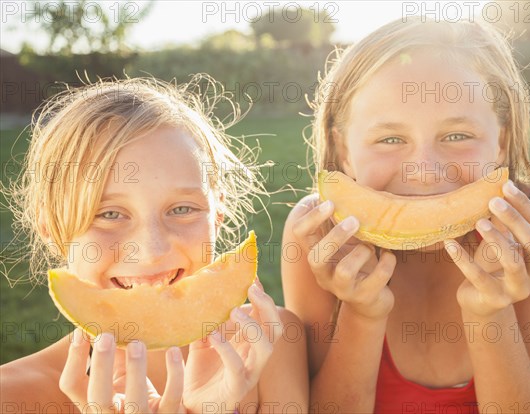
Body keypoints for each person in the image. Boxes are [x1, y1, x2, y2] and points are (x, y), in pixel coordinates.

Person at [282, 17, 530, 413]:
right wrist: (362, 313)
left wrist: (488, 313)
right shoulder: (318, 235)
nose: (425, 171)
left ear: (501, 141)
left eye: (457, 136)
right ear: (345, 151)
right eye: (390, 139)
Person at [1, 76, 308, 413]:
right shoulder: (11, 397)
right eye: (110, 214)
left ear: (217, 213)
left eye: (181, 209)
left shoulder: (271, 344)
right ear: (51, 226)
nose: (151, 249)